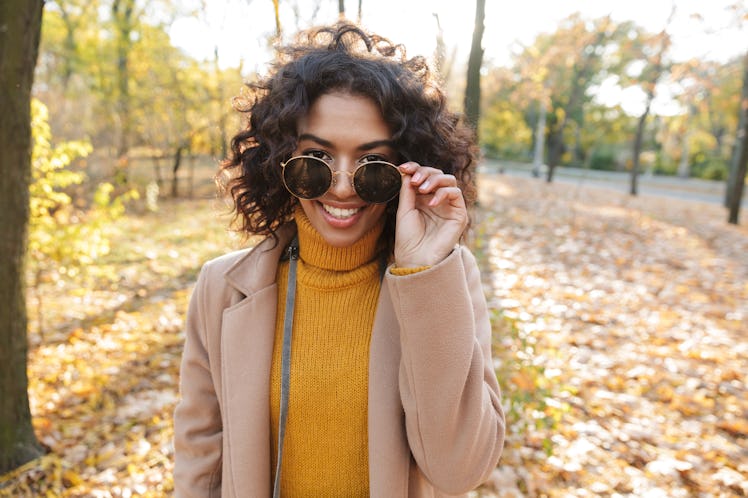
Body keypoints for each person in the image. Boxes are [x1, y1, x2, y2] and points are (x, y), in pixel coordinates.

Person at [173, 20, 505, 498]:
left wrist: (423, 273)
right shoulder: (221, 287)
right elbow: (200, 458)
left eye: (373, 164)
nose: (343, 186)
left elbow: (460, 470)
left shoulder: (445, 280)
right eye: (316, 160)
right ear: (278, 160)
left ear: (409, 171)